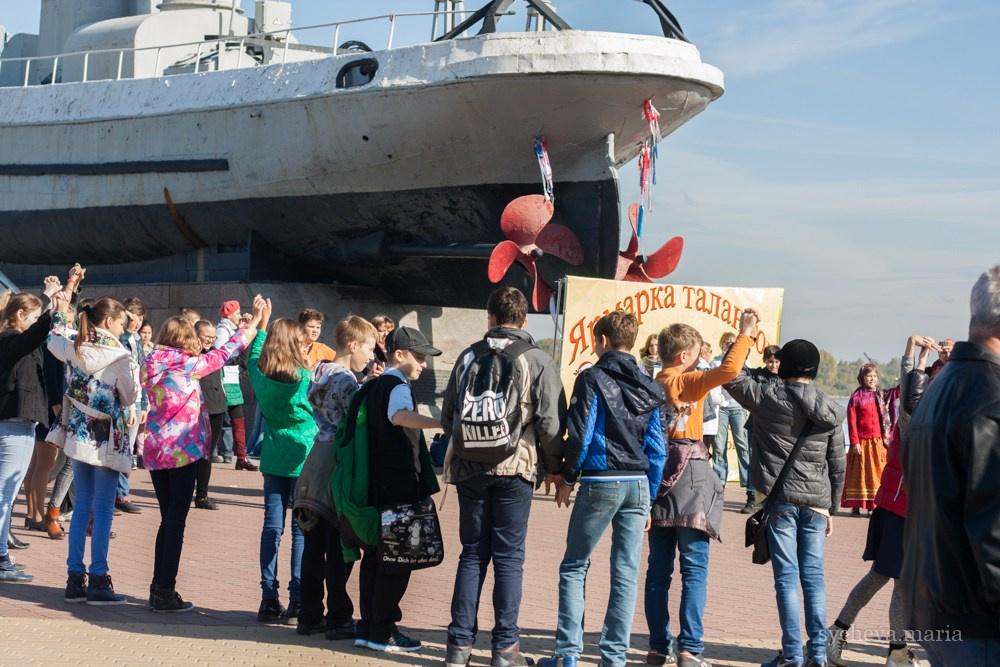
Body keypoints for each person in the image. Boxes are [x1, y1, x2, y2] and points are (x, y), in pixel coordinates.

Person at [443, 287, 567, 667]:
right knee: (509, 558)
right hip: (517, 467)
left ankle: (459, 647)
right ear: (525, 320)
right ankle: (504, 650)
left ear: (490, 317)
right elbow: (550, 424)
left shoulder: (467, 356)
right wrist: (556, 468)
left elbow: (449, 415)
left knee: (471, 555)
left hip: (469, 468)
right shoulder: (538, 360)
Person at [536, 310, 663, 667]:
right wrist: (650, 497)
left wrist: (567, 476)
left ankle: (568, 654)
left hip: (600, 479)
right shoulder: (652, 386)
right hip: (638, 484)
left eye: (595, 341)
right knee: (625, 571)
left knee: (575, 565)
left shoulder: (592, 377)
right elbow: (657, 448)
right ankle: (614, 658)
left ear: (603, 341)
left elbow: (582, 432)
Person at [644, 311, 759, 667]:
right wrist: (745, 334)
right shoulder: (685, 381)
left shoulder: (650, 381)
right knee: (694, 566)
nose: (699, 360)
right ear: (683, 357)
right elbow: (728, 371)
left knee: (658, 569)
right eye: (696, 354)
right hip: (689, 473)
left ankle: (657, 645)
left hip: (655, 473)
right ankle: (689, 648)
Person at [900, 266, 1000, 666]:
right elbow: (994, 528)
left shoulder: (944, 384)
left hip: (936, 603)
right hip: (978, 617)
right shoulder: (990, 397)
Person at [724, 339, 846, 667]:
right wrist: (831, 507)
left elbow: (730, 375)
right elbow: (837, 462)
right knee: (814, 577)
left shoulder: (768, 397)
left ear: (784, 366)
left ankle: (792, 654)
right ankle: (818, 655)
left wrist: (745, 334)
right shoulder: (831, 408)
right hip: (817, 504)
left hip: (780, 503)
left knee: (787, 578)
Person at [141, 297, 264, 612]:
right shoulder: (187, 363)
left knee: (167, 519)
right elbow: (226, 351)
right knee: (175, 522)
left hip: (156, 451)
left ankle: (158, 587)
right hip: (182, 451)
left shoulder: (150, 362)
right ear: (185, 339)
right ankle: (164, 590)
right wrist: (254, 324)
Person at [827, 336, 936, 667]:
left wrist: (921, 355)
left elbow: (911, 385)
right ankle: (891, 651)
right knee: (895, 584)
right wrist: (913, 355)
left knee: (884, 580)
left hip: (897, 511)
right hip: (899, 513)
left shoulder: (918, 420)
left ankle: (848, 639)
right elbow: (910, 387)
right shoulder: (912, 422)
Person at [342, 325, 442, 653]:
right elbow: (398, 416)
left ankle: (368, 626)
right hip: (400, 485)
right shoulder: (397, 384)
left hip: (377, 483)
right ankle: (383, 630)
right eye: (419, 356)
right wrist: (441, 423)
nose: (424, 363)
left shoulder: (374, 385)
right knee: (397, 560)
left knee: (375, 557)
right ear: (399, 355)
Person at [48, 295, 141, 605]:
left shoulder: (74, 345)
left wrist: (61, 312)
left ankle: (75, 578)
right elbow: (129, 397)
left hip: (78, 434)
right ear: (108, 322)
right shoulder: (120, 355)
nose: (124, 329)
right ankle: (99, 579)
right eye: (121, 323)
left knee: (82, 506)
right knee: (102, 510)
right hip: (106, 440)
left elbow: (52, 339)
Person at [293, 316, 377, 640]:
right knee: (338, 547)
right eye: (368, 348)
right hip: (336, 464)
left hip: (314, 459)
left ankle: (309, 614)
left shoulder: (319, 372)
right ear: (352, 345)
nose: (371, 356)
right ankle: (339, 617)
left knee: (313, 546)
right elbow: (355, 424)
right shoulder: (345, 381)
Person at [249, 305, 317, 626]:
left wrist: (262, 325)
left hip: (273, 458)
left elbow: (253, 356)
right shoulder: (305, 378)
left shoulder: (260, 376)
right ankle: (298, 599)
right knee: (300, 531)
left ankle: (267, 596)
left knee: (271, 528)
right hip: (302, 458)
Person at [0, 272, 67, 581]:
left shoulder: (14, 341)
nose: (39, 320)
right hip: (14, 423)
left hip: (23, 422)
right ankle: (1, 558)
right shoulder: (11, 339)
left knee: (6, 491)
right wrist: (52, 304)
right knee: (5, 492)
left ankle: (2, 554)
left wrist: (53, 299)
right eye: (35, 316)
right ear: (20, 315)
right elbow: (35, 335)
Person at [113, 296, 149, 515]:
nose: (137, 323)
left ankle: (120, 493)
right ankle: (119, 494)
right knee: (122, 447)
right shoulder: (121, 338)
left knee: (128, 449)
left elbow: (142, 373)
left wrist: (144, 403)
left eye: (141, 318)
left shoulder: (137, 340)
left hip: (136, 400)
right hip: (122, 400)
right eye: (133, 318)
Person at [842, 364, 893, 517]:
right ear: (862, 378)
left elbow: (897, 393)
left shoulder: (881, 395)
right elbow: (851, 422)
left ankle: (872, 506)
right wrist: (854, 442)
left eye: (875, 376)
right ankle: (856, 506)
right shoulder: (856, 397)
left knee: (876, 475)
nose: (872, 379)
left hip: (878, 442)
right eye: (869, 376)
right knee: (859, 475)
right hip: (861, 443)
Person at [739, 345, 782, 514]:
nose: (773, 365)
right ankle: (751, 498)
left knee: (775, 463)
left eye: (777, 361)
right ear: (765, 361)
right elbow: (739, 370)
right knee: (754, 462)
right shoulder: (757, 374)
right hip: (756, 424)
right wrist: (741, 351)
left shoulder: (785, 378)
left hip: (777, 427)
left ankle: (772, 497)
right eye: (770, 362)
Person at [192, 320, 227, 510]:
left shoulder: (214, 353)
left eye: (213, 337)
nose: (210, 340)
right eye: (207, 336)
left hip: (216, 407)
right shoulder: (189, 354)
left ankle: (202, 496)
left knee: (207, 453)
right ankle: (189, 491)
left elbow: (237, 359)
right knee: (193, 454)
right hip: (195, 409)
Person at [711, 333, 750, 491]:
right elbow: (714, 385)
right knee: (719, 446)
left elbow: (748, 384)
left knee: (742, 445)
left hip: (738, 407)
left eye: (733, 343)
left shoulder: (745, 361)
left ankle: (749, 485)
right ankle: (720, 481)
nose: (730, 345)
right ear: (722, 344)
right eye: (727, 342)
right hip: (721, 408)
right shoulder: (716, 361)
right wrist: (722, 400)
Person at [214, 300, 249, 466]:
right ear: (229, 314)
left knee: (237, 420)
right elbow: (221, 354)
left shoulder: (231, 330)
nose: (239, 316)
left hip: (231, 379)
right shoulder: (222, 330)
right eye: (237, 313)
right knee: (220, 420)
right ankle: (213, 453)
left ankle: (240, 457)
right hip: (224, 380)